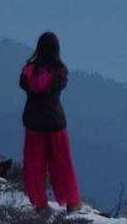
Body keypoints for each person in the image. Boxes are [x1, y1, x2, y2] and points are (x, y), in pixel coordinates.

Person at [18, 31, 81, 211]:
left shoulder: (28, 71)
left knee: (35, 165)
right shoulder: (60, 71)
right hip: (55, 122)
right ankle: (71, 201)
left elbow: (23, 84)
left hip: (33, 122)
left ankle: (39, 203)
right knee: (62, 163)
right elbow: (56, 88)